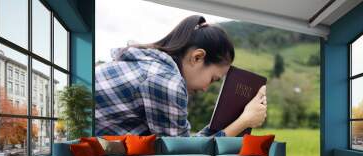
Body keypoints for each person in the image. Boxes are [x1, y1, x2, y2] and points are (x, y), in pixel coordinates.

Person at [95, 15, 267, 137]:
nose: (206, 88)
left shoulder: (150, 65)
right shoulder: (165, 81)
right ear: (197, 57)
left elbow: (180, 145)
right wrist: (243, 122)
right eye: (213, 79)